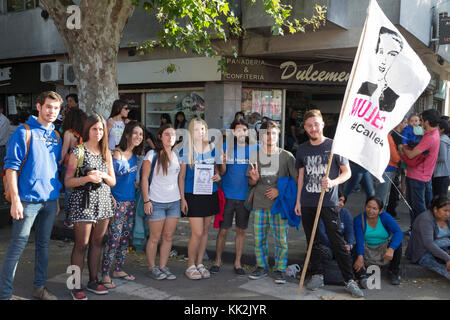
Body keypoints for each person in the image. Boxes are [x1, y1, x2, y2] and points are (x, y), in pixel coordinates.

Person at [0, 91, 63, 300]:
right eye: (48, 107)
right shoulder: (23, 131)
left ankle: (39, 288)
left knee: (43, 247)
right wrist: (16, 200)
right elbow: (11, 168)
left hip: (50, 201)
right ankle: (5, 294)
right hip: (27, 202)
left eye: (56, 108)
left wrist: (55, 198)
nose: (52, 111)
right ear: (38, 107)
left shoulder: (56, 135)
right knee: (17, 247)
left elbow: (53, 168)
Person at [294, 109, 363, 298]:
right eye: (309, 125)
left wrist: (333, 182)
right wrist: (298, 200)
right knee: (312, 240)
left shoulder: (335, 146)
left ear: (322, 124)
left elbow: (347, 172)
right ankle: (317, 274)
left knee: (337, 241)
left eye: (316, 124)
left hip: (328, 202)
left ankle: (349, 280)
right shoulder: (302, 149)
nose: (313, 128)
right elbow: (301, 176)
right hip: (308, 201)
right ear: (305, 128)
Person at [65, 114, 116, 300]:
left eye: (101, 129)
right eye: (95, 128)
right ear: (88, 130)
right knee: (81, 245)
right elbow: (68, 181)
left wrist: (101, 175)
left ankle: (94, 280)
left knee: (97, 243)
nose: (98, 132)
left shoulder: (106, 153)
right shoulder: (77, 152)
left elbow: (113, 181)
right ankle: (74, 284)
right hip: (82, 202)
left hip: (103, 202)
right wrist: (86, 178)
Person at [246, 120, 298, 284]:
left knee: (281, 240)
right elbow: (251, 182)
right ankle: (261, 266)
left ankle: (280, 269)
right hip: (259, 204)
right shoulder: (255, 155)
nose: (270, 136)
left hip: (279, 206)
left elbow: (296, 181)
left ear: (278, 135)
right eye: (267, 133)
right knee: (258, 239)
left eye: (274, 133)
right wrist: (254, 180)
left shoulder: (287, 156)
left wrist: (279, 191)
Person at [210, 119, 257, 276]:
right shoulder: (226, 147)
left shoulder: (255, 148)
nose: (241, 132)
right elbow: (221, 171)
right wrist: (222, 164)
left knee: (241, 231)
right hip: (228, 195)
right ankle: (217, 260)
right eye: (237, 130)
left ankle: (238, 262)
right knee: (223, 230)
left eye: (244, 129)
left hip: (245, 197)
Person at [101, 121, 144, 289]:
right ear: (127, 135)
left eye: (141, 134)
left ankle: (118, 269)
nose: (138, 137)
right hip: (117, 203)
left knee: (125, 237)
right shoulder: (116, 155)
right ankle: (105, 273)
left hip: (131, 201)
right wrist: (110, 197)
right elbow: (106, 179)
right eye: (135, 133)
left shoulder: (134, 155)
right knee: (114, 238)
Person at [178, 118, 221, 280]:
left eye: (202, 129)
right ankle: (190, 264)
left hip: (210, 193)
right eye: (196, 129)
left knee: (204, 231)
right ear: (190, 131)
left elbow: (216, 171)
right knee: (196, 232)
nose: (200, 132)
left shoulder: (212, 148)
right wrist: (182, 199)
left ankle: (200, 263)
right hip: (193, 195)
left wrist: (217, 176)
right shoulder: (185, 150)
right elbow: (181, 177)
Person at [142, 124, 181, 281]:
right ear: (160, 136)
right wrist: (146, 201)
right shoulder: (152, 154)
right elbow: (144, 178)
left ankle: (163, 266)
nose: (170, 137)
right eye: (166, 134)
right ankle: (152, 267)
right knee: (154, 237)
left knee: (168, 237)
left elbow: (180, 179)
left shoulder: (176, 154)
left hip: (174, 202)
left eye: (172, 134)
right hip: (156, 202)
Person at [399, 109, 441, 231]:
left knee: (417, 207)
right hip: (424, 175)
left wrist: (402, 148)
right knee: (421, 205)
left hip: (418, 177)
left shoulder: (430, 137)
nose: (420, 123)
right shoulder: (432, 133)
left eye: (421, 120)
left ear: (427, 122)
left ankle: (420, 232)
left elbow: (411, 155)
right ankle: (418, 230)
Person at [353, 196, 403, 287]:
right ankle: (362, 275)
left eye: (374, 208)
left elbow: (398, 232)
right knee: (355, 248)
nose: (370, 210)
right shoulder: (359, 220)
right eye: (368, 207)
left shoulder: (385, 217)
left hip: (383, 248)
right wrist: (360, 256)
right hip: (366, 248)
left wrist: (391, 249)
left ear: (380, 211)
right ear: (365, 207)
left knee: (398, 244)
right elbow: (359, 239)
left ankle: (393, 272)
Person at [357, 26, 403, 112]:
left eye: (392, 54)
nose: (384, 60)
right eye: (381, 51)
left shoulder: (394, 94)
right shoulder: (363, 86)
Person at [406, 195, 449, 280]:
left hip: (443, 248)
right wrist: (447, 258)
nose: (448, 214)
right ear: (435, 209)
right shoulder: (425, 219)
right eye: (445, 211)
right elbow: (429, 244)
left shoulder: (447, 218)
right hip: (424, 252)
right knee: (443, 269)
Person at [60, 108, 87, 228]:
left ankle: (69, 219)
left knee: (68, 192)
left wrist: (58, 163)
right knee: (81, 192)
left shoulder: (69, 133)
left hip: (70, 166)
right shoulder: (86, 132)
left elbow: (64, 152)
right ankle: (80, 217)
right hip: (83, 167)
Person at [386, 118, 408, 218]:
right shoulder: (393, 135)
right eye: (405, 122)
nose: (407, 124)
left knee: (392, 192)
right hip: (391, 167)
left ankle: (390, 212)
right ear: (399, 123)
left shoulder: (400, 135)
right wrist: (401, 157)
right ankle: (389, 213)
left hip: (395, 166)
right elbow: (394, 154)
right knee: (390, 192)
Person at [375, 132, 400, 209]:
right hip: (387, 169)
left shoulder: (380, 135)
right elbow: (395, 158)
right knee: (382, 198)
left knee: (380, 196)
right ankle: (379, 218)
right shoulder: (387, 137)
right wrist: (400, 156)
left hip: (380, 168)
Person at [432, 120, 450, 197]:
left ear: (442, 129)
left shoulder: (442, 140)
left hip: (441, 174)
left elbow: (442, 158)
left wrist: (431, 159)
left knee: (439, 199)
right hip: (443, 174)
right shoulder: (445, 139)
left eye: (437, 127)